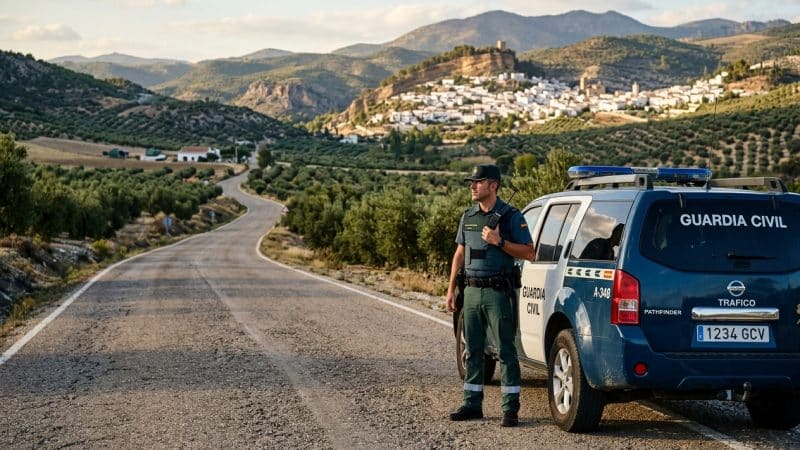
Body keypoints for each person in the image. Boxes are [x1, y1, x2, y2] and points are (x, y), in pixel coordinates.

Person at [445, 164, 534, 427]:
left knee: (506, 351)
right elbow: (459, 254)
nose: (472, 186)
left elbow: (530, 252)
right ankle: (472, 404)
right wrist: (451, 289)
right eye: (471, 181)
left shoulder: (510, 216)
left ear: (493, 185)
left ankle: (510, 409)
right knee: (472, 350)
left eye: (478, 181)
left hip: (498, 293)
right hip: (470, 292)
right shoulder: (468, 216)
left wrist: (500, 242)